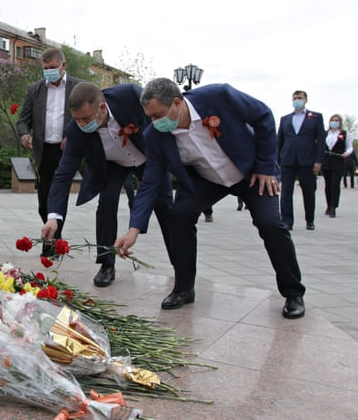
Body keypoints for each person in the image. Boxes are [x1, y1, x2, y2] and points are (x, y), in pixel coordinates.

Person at [114, 78, 306, 319]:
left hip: (251, 173)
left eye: (158, 115)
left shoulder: (219, 96)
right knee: (179, 216)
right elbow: (150, 181)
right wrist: (133, 230)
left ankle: (293, 293)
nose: (154, 122)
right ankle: (184, 288)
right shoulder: (155, 135)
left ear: (177, 103)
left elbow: (263, 116)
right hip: (207, 180)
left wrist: (265, 166)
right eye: (150, 117)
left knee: (270, 224)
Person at [42, 82, 174, 287]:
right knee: (107, 201)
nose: (82, 124)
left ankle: (180, 266)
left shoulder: (130, 97)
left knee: (166, 209)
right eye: (77, 119)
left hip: (149, 158)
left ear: (102, 108)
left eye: (86, 118)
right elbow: (63, 175)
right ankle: (106, 263)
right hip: (114, 164)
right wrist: (53, 217)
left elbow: (158, 117)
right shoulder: (75, 130)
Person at [17, 48, 83, 258]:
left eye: (53, 67)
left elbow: (88, 116)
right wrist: (24, 134)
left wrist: (73, 135)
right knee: (44, 202)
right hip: (43, 151)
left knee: (59, 196)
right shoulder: (34, 90)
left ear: (63, 65)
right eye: (45, 68)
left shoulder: (78, 88)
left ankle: (52, 244)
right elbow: (23, 120)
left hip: (67, 151)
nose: (49, 72)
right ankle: (54, 238)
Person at [277, 90, 325, 231]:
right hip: (288, 160)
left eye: (300, 97)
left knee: (308, 192)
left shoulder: (315, 117)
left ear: (305, 100)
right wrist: (276, 160)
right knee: (286, 193)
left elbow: (321, 141)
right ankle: (287, 221)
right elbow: (279, 142)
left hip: (307, 160)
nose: (297, 100)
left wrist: (318, 161)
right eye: (295, 98)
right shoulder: (285, 119)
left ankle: (309, 220)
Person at [321, 114, 354, 218]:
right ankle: (329, 204)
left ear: (340, 122)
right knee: (328, 185)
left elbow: (350, 147)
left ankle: (333, 207)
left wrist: (347, 153)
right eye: (332, 120)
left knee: (335, 184)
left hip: (338, 162)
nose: (334, 122)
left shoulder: (344, 133)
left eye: (336, 120)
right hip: (326, 162)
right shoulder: (325, 133)